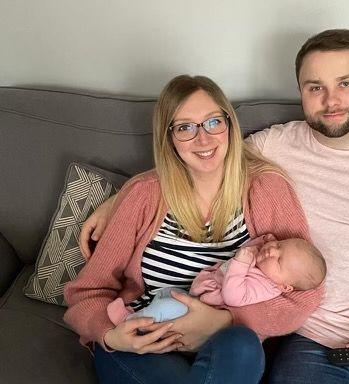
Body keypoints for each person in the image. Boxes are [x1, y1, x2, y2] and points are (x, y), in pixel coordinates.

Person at [81, 30, 349, 383]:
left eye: (346, 83)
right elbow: (201, 156)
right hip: (310, 342)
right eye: (315, 87)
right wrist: (120, 198)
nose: (331, 100)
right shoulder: (276, 146)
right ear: (300, 91)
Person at [64, 75, 324, 384]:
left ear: (229, 125)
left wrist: (227, 320)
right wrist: (111, 337)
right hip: (144, 343)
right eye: (185, 127)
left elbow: (306, 294)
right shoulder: (144, 195)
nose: (203, 139)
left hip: (225, 346)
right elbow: (87, 291)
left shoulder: (267, 189)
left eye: (213, 122)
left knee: (243, 345)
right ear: (168, 137)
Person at [107, 234, 326, 327]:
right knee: (165, 292)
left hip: (202, 309)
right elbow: (255, 247)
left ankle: (129, 323)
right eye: (279, 245)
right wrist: (265, 241)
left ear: (284, 286)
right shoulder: (261, 261)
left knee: (165, 306)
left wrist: (240, 264)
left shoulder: (266, 287)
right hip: (194, 294)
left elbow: (234, 296)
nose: (272, 251)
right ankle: (141, 313)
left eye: (279, 260)